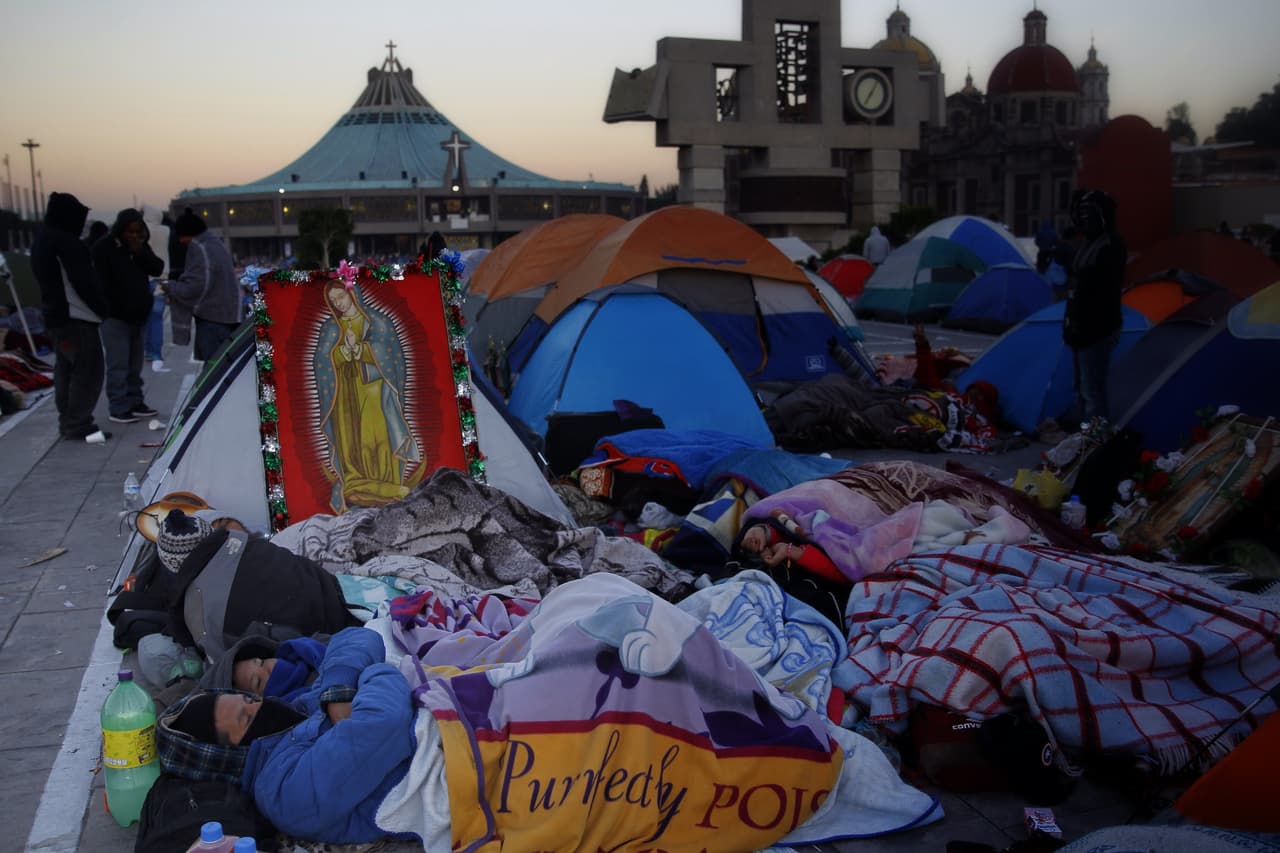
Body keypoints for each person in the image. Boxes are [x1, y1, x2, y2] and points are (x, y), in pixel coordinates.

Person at [316, 280, 424, 511]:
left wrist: (361, 349)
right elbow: (322, 361)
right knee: (350, 440)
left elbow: (391, 355)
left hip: (373, 390)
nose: (338, 303)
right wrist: (342, 352)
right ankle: (358, 484)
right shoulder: (331, 328)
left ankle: (386, 485)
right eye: (333, 301)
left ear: (352, 293)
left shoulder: (377, 322)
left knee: (375, 436)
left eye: (341, 297)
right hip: (343, 394)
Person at [31, 192, 112, 442]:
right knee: (87, 372)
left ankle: (67, 422)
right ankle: (78, 423)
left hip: (56, 317)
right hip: (77, 317)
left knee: (65, 371)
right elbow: (83, 282)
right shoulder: (67, 243)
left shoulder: (42, 239)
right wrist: (103, 308)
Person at [92, 208, 163, 424]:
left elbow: (157, 268)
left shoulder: (139, 247)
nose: (133, 235)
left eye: (137, 231)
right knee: (118, 364)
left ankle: (135, 401)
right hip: (115, 316)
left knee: (134, 365)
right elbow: (99, 280)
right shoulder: (104, 247)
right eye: (129, 231)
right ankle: (118, 406)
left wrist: (140, 251)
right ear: (120, 229)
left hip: (138, 316)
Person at [1062, 189, 1125, 427]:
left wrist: (1081, 324)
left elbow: (1098, 293)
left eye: (1088, 215)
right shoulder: (1090, 244)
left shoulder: (1110, 245)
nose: (1083, 220)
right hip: (1081, 329)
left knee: (1092, 390)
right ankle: (1084, 433)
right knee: (1082, 387)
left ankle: (1095, 438)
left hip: (1097, 330)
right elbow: (1077, 291)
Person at [166, 208, 241, 361]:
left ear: (188, 234)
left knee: (214, 366)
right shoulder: (216, 243)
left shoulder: (200, 248)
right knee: (222, 365)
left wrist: (171, 286)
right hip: (228, 316)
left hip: (213, 320)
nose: (180, 242)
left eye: (181, 236)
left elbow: (194, 288)